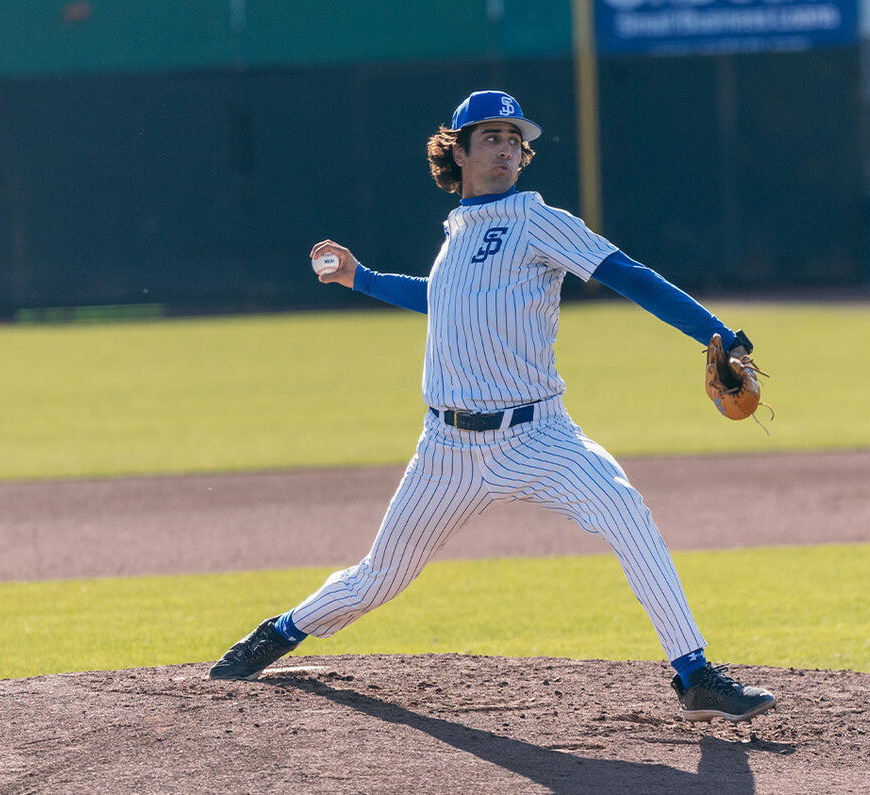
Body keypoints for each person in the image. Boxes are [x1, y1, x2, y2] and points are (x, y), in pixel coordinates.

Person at [209, 90, 777, 722]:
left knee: (625, 512)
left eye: (515, 140)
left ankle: (693, 673)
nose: (507, 149)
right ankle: (280, 632)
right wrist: (358, 278)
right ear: (458, 149)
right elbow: (445, 299)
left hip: (539, 436)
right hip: (447, 451)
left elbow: (628, 274)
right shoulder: (457, 232)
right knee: (379, 578)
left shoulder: (539, 220)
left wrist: (713, 333)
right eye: (492, 138)